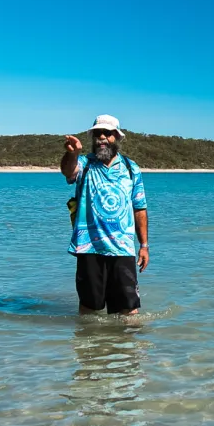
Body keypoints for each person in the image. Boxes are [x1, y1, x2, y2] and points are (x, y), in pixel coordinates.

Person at [61, 114, 148, 316]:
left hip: (123, 249)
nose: (101, 137)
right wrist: (73, 154)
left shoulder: (131, 169)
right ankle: (90, 346)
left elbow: (140, 208)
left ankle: (126, 348)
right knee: (88, 311)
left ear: (116, 137)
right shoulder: (84, 164)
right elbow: (68, 171)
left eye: (107, 133)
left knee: (129, 311)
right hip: (89, 247)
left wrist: (144, 246)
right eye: (97, 133)